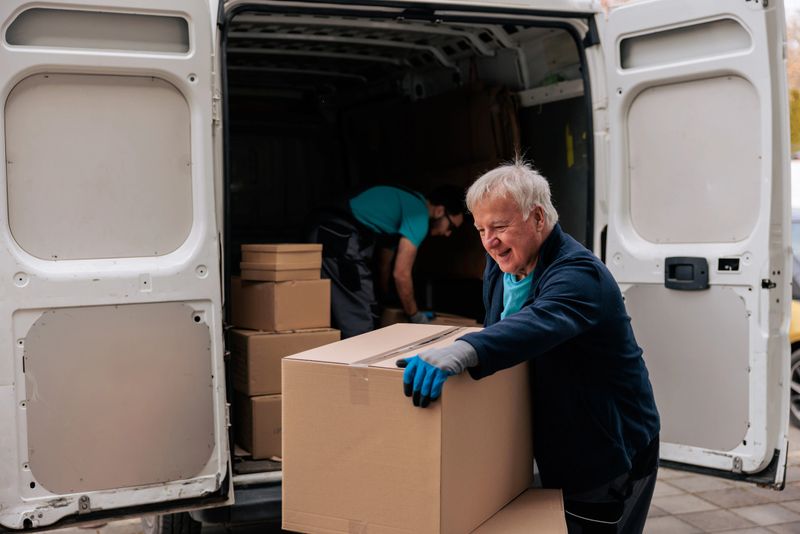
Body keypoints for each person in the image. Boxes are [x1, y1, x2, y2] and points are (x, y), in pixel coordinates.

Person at [397, 161, 660, 533]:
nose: (489, 242)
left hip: (606, 450)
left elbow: (538, 323)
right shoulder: (505, 265)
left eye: (500, 227)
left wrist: (463, 350)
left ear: (537, 217)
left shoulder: (579, 274)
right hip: (553, 439)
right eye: (481, 230)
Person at [308, 184, 465, 339]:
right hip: (338, 236)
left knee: (361, 307)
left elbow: (384, 264)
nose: (448, 234)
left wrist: (384, 299)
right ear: (439, 211)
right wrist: (415, 315)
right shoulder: (419, 215)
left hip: (327, 231)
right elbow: (401, 274)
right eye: (451, 226)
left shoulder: (405, 207)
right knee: (362, 320)